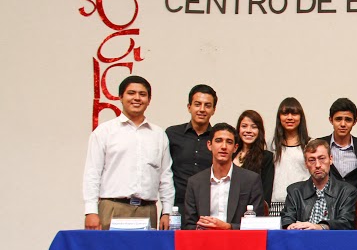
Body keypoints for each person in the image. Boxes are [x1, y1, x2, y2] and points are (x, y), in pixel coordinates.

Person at [82, 76, 174, 230]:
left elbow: (165, 176)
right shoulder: (105, 132)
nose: (137, 98)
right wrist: (91, 211)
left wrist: (167, 211)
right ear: (120, 97)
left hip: (148, 209)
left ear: (149, 100)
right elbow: (92, 173)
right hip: (113, 207)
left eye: (142, 94)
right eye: (131, 93)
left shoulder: (158, 135)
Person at [183, 123, 264, 230]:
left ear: (235, 148)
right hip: (204, 242)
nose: (224, 147)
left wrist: (228, 227)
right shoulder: (195, 182)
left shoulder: (251, 180)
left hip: (238, 243)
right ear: (209, 145)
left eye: (229, 142)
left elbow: (257, 224)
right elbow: (189, 225)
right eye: (218, 141)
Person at [281, 139, 357, 230]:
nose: (317, 165)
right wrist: (291, 226)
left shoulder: (346, 191)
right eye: (312, 160)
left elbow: (346, 222)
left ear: (330, 159)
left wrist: (320, 227)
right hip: (302, 239)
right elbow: (287, 218)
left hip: (333, 241)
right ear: (306, 164)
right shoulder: (294, 191)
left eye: (321, 158)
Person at [165, 84, 217, 213]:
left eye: (207, 105)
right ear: (189, 107)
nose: (202, 109)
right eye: (197, 104)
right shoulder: (172, 134)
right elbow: (163, 172)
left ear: (214, 110)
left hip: (209, 207)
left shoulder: (218, 138)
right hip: (177, 207)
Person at [317, 98, 357, 204]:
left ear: (355, 122)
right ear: (331, 120)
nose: (343, 124)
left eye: (348, 120)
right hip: (327, 204)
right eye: (338, 119)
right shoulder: (321, 144)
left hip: (356, 205)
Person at [270, 97, 310, 216]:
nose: (289, 117)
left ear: (300, 117)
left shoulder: (310, 144)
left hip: (303, 203)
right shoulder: (270, 145)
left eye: (294, 113)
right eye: (285, 113)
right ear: (279, 117)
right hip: (276, 203)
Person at [234, 110, 274, 211]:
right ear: (238, 129)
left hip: (251, 212)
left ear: (259, 131)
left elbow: (266, 194)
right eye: (244, 126)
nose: (248, 130)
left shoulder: (266, 157)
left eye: (254, 127)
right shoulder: (230, 154)